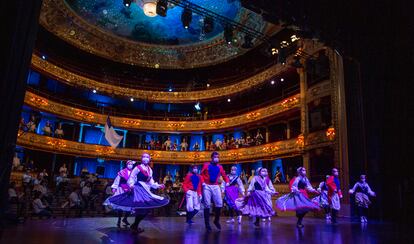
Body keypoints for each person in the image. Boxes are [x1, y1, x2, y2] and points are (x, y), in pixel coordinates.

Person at [105, 153, 169, 234]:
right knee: (142, 208)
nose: (146, 158)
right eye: (144, 157)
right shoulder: (137, 168)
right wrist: (131, 185)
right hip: (139, 188)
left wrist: (158, 185)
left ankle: (135, 225)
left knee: (146, 209)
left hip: (146, 189)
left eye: (147, 157)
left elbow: (151, 181)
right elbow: (131, 178)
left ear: (149, 159)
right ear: (141, 158)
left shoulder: (150, 169)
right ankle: (134, 225)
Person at [200, 151, 229, 231]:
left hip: (215, 186)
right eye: (215, 157)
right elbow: (201, 175)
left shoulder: (220, 167)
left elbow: (224, 175)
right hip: (207, 185)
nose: (217, 158)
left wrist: (227, 181)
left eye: (218, 157)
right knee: (207, 204)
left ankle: (216, 220)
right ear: (212, 158)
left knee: (219, 203)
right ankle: (207, 224)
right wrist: (202, 183)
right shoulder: (206, 165)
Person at [108, 160, 135, 227]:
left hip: (129, 190)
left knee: (129, 205)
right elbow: (117, 180)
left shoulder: (134, 172)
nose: (130, 165)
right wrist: (114, 187)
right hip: (121, 189)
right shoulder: (122, 172)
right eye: (129, 164)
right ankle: (119, 219)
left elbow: (135, 181)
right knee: (120, 206)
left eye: (131, 164)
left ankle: (125, 218)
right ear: (126, 164)